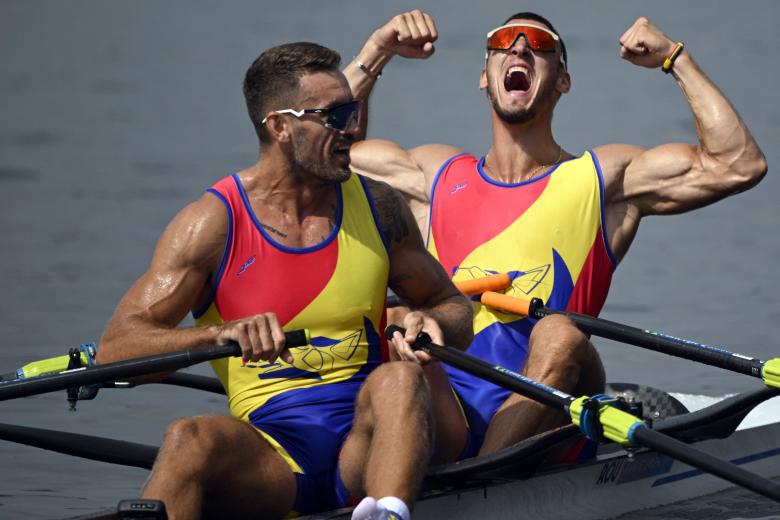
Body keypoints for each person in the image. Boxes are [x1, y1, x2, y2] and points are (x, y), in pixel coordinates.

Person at [346, 11, 767, 459]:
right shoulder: (433, 177)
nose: (521, 48)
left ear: (563, 81)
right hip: (446, 409)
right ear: (485, 79)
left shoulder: (602, 180)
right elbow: (322, 151)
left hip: (551, 421)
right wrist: (377, 50)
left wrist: (675, 59)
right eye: (505, 41)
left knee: (560, 333)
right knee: (392, 320)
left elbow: (738, 165)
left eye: (541, 45)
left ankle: (488, 476)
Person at [96, 38, 473, 520]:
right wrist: (218, 333)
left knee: (399, 379)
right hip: (272, 457)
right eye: (334, 116)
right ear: (280, 127)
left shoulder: (379, 207)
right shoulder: (211, 225)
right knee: (187, 437)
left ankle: (388, 510)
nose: (353, 129)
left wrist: (433, 322)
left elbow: (452, 305)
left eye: (353, 111)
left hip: (368, 442)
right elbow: (115, 350)